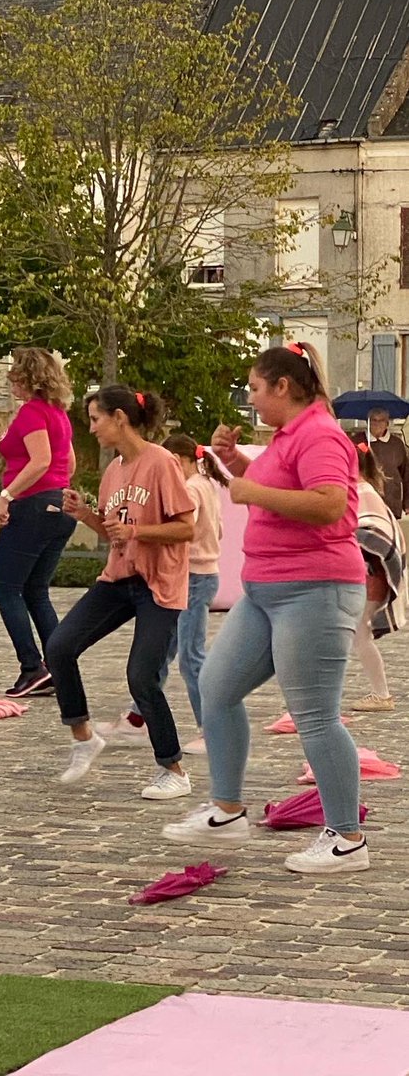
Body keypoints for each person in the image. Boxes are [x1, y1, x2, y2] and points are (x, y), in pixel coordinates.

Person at [164, 342, 370, 874]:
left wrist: (252, 492)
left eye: (255, 388)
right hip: (265, 591)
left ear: (283, 386)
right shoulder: (288, 436)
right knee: (216, 688)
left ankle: (347, 839)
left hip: (316, 590)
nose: (251, 399)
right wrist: (234, 463)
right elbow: (277, 482)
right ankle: (227, 810)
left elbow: (329, 505)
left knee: (315, 716)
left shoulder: (321, 433)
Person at [46, 386, 195, 800]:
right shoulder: (113, 471)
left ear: (120, 418)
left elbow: (187, 528)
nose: (92, 428)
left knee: (141, 676)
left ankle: (174, 770)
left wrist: (136, 532)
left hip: (159, 584)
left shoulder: (161, 462)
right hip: (118, 578)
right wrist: (85, 514)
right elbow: (114, 533)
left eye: (96, 419)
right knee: (59, 647)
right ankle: (83, 738)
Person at [98, 434, 226, 756]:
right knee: (161, 653)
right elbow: (218, 530)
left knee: (191, 657)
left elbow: (183, 530)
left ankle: (212, 730)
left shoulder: (191, 489)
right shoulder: (206, 485)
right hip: (202, 574)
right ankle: (137, 718)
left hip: (192, 577)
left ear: (177, 461)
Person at [0, 348, 77, 697]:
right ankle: (59, 668)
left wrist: (7, 495)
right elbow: (68, 463)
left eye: (15, 377)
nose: (11, 383)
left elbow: (40, 460)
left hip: (31, 507)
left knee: (5, 588)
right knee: (35, 590)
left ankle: (32, 667)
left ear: (28, 380)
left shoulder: (31, 413)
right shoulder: (59, 414)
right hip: (58, 506)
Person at [349, 441, 406, 711]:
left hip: (373, 574)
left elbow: (371, 533)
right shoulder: (366, 489)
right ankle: (380, 693)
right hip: (372, 573)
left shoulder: (362, 492)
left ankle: (382, 694)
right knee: (358, 632)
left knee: (360, 633)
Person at [353, 409, 409, 520]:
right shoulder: (357, 441)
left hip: (391, 502)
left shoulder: (396, 444)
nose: (377, 423)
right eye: (373, 420)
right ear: (368, 422)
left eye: (381, 420)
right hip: (365, 501)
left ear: (387, 423)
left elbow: (406, 473)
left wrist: (407, 503)